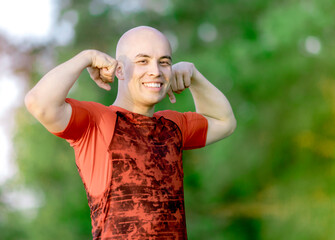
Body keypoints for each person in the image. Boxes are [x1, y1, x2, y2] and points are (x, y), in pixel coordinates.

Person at [25, 26, 236, 239]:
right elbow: (39, 103)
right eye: (142, 61)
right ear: (119, 70)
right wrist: (86, 57)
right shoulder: (99, 121)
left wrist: (194, 76)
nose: (155, 70)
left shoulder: (173, 126)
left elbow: (224, 121)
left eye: (164, 62)